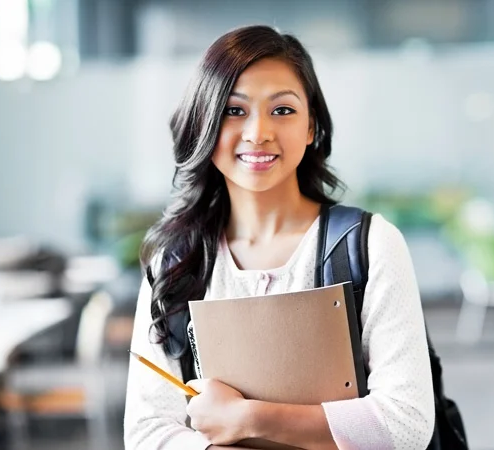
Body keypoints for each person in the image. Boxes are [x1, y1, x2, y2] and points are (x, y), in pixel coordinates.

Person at [124, 25, 435, 450]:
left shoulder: (370, 244)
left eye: (283, 110)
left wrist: (247, 419)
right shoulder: (176, 261)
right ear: (205, 124)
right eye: (234, 111)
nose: (258, 133)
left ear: (311, 127)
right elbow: (146, 432)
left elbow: (407, 424)